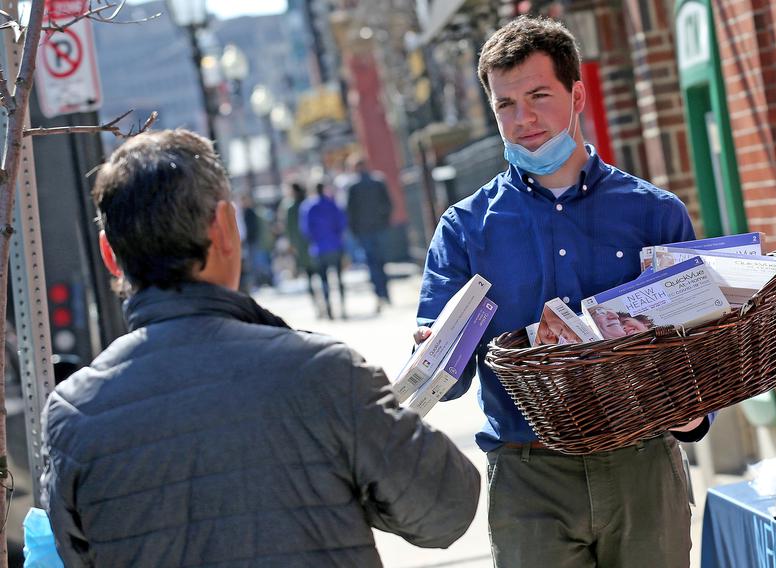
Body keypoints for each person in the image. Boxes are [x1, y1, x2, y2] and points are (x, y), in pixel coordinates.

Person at [40, 129, 481, 567]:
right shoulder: (324, 373)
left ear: (110, 255)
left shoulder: (73, 415)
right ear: (226, 226)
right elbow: (446, 510)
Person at [415, 17, 711, 567]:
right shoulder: (463, 230)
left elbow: (695, 352)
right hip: (528, 477)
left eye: (538, 96)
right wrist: (433, 353)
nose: (522, 119)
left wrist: (692, 415)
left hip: (642, 465)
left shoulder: (654, 213)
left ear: (577, 95)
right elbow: (444, 385)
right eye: (505, 104)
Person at [345, 154, 393, 312]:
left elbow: (350, 211)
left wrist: (354, 230)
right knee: (381, 261)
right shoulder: (378, 180)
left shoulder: (353, 186)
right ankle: (386, 294)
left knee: (372, 263)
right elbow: (388, 203)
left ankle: (379, 294)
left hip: (364, 230)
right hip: (379, 228)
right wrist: (385, 221)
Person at [300, 182, 347, 320]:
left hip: (319, 248)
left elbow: (305, 229)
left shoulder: (308, 207)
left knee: (323, 280)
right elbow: (342, 223)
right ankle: (343, 308)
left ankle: (328, 309)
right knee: (339, 279)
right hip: (335, 246)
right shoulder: (332, 204)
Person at [282, 182, 323, 315]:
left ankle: (317, 305)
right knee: (321, 275)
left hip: (300, 247)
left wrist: (292, 246)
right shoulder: (308, 204)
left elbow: (288, 230)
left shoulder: (291, 208)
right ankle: (324, 301)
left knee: (309, 276)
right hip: (314, 244)